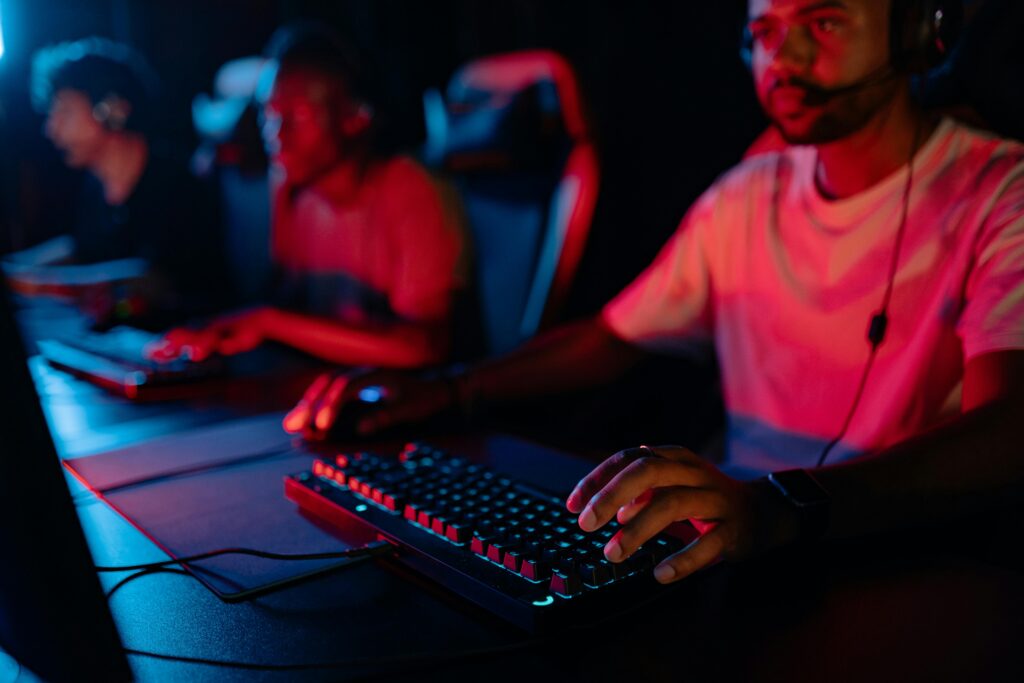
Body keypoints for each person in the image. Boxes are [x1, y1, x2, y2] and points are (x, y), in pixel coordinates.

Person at [286, 0, 1024, 584]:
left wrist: (783, 506)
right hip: (740, 544)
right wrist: (447, 390)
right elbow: (613, 335)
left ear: (921, 30)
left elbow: (1007, 436)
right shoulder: (744, 195)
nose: (784, 56)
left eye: (823, 22)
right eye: (764, 30)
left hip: (894, 559)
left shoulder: (1000, 190)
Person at [147, 23, 469, 368]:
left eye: (297, 114)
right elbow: (290, 311)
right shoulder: (296, 194)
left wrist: (268, 322)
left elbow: (424, 347)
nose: (276, 132)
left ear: (355, 117)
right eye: (269, 114)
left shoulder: (412, 190)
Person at [4, 37, 225, 328]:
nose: (50, 128)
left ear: (112, 109)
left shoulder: (175, 183)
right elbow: (81, 247)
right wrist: (14, 267)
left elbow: (153, 279)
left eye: (65, 111)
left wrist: (34, 283)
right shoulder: (95, 187)